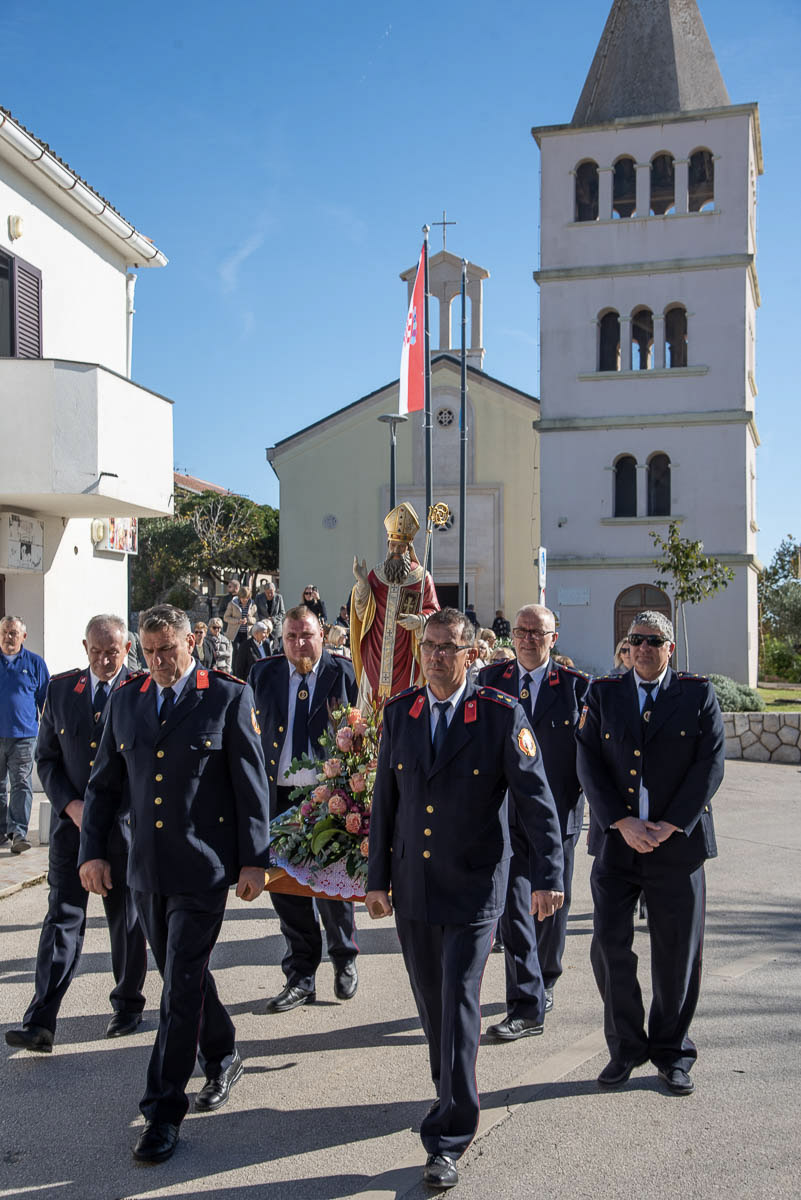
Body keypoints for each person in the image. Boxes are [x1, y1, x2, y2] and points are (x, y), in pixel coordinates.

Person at [366, 608, 563, 1190]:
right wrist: (376, 880)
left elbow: (537, 800)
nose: (435, 657)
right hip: (415, 887)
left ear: (470, 653)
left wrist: (549, 876)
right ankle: (448, 1088)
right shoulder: (401, 711)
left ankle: (450, 1133)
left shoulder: (501, 715)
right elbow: (385, 802)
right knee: (432, 1004)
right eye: (428, 646)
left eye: (448, 647)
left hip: (476, 887)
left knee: (457, 1002)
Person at [78, 605, 271, 1164]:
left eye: (169, 649)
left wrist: (254, 861)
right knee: (184, 976)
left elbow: (250, 783)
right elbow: (103, 786)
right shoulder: (127, 699)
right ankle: (224, 1051)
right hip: (146, 870)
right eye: (151, 651)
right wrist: (92, 852)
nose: (160, 661)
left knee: (179, 986)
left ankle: (162, 1110)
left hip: (203, 868)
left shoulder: (226, 696)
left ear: (193, 642)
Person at [576, 610, 725, 1096]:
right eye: (635, 640)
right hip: (618, 845)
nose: (642, 648)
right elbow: (588, 762)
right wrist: (620, 821)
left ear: (670, 649)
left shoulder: (697, 694)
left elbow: (710, 766)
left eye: (653, 641)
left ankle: (672, 1051)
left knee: (677, 953)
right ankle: (625, 1047)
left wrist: (669, 825)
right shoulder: (603, 693)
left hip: (675, 846)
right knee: (609, 947)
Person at [5, 615, 147, 1054]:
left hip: (123, 830)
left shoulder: (142, 692)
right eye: (97, 652)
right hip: (72, 829)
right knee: (62, 917)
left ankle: (127, 1004)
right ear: (84, 646)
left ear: (127, 650)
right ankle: (41, 1019)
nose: (105, 660)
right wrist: (71, 804)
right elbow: (46, 759)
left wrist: (107, 814)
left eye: (113, 652)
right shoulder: (63, 690)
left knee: (126, 920)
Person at [479, 604, 590, 1040]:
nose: (527, 639)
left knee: (551, 906)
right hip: (505, 818)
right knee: (514, 908)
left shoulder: (577, 688)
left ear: (553, 638)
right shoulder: (491, 681)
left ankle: (547, 974)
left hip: (554, 817)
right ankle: (526, 1001)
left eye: (537, 633)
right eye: (521, 631)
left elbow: (589, 758)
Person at [249, 605, 360, 1011]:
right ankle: (300, 975)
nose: (299, 644)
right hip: (279, 798)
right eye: (291, 637)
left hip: (327, 798)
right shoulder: (264, 673)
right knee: (286, 890)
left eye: (307, 635)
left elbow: (361, 730)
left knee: (331, 887)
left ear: (323, 633)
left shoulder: (343, 672)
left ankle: (344, 957)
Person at [350, 502, 439, 706]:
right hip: (376, 655)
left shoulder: (422, 577)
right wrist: (363, 583)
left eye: (401, 546)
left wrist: (419, 620)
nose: (396, 550)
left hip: (408, 656)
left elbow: (435, 614)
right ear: (388, 544)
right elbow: (363, 614)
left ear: (409, 548)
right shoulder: (376, 575)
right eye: (393, 545)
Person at [0, 615, 50, 852]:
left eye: (13, 633)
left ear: (23, 637)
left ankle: (18, 833)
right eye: (4, 632)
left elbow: (45, 701)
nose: (8, 637)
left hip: (24, 736)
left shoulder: (35, 663)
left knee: (21, 784)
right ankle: (0, 832)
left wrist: (51, 734)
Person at [254, 578, 285, 649]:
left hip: (276, 627)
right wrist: (264, 621)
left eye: (271, 592)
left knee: (276, 647)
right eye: (267, 593)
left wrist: (273, 619)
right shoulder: (259, 598)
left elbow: (282, 613)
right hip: (263, 626)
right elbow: (256, 612)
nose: (270, 594)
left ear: (274, 591)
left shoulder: (279, 597)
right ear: (264, 591)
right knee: (264, 646)